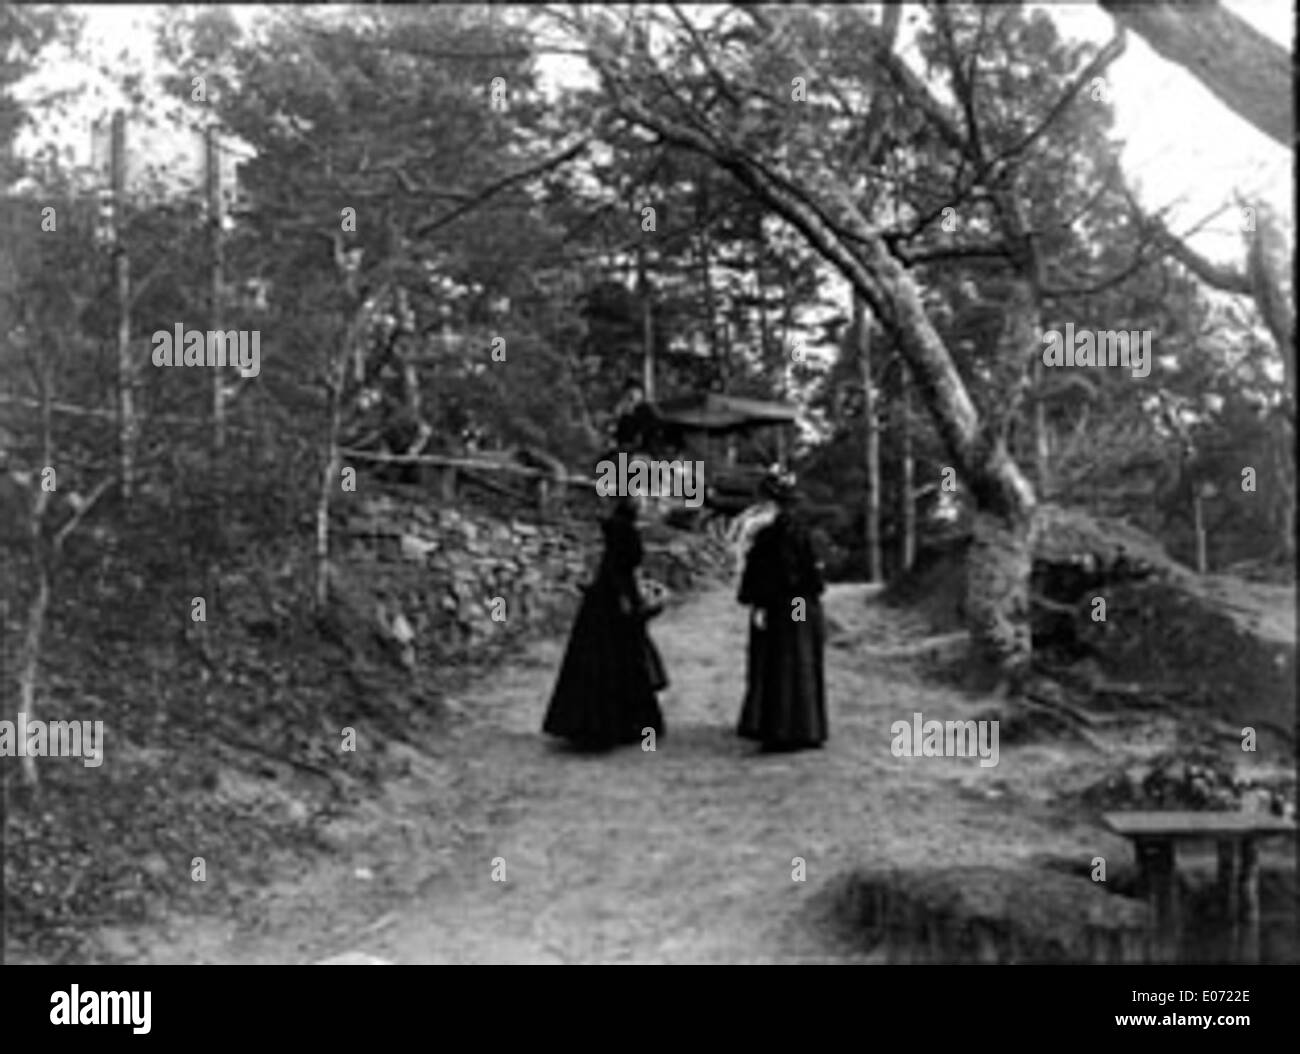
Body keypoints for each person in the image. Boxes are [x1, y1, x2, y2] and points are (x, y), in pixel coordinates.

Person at [542, 496, 667, 748]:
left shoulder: (613, 539)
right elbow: (628, 562)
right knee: (623, 661)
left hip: (604, 601)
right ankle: (624, 725)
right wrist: (635, 601)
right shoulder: (625, 535)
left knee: (599, 661)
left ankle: (591, 723)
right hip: (617, 599)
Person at [736, 469, 828, 752]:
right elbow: (814, 576)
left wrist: (758, 603)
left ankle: (782, 729)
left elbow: (759, 575)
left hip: (780, 604)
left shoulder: (768, 536)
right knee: (801, 659)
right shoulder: (803, 533)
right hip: (801, 604)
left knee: (779, 662)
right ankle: (806, 728)